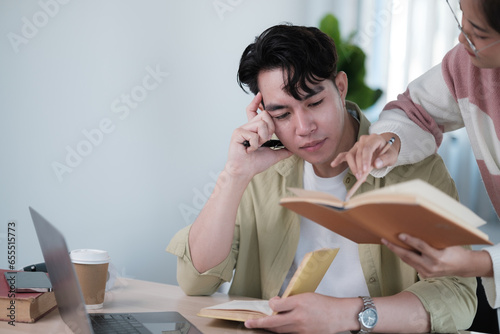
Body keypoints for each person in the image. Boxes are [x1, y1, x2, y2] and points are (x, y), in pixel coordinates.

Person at [166, 24, 477, 333]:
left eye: (314, 103)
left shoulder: (413, 167)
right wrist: (234, 175)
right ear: (263, 114)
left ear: (340, 87)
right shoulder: (258, 173)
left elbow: (457, 297)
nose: (304, 127)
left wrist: (348, 315)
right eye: (282, 114)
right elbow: (197, 280)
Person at [332, 0, 500, 310]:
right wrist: (389, 140)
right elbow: (418, 110)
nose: (461, 36)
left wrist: (477, 263)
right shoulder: (466, 64)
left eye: (476, 30)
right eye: (459, 12)